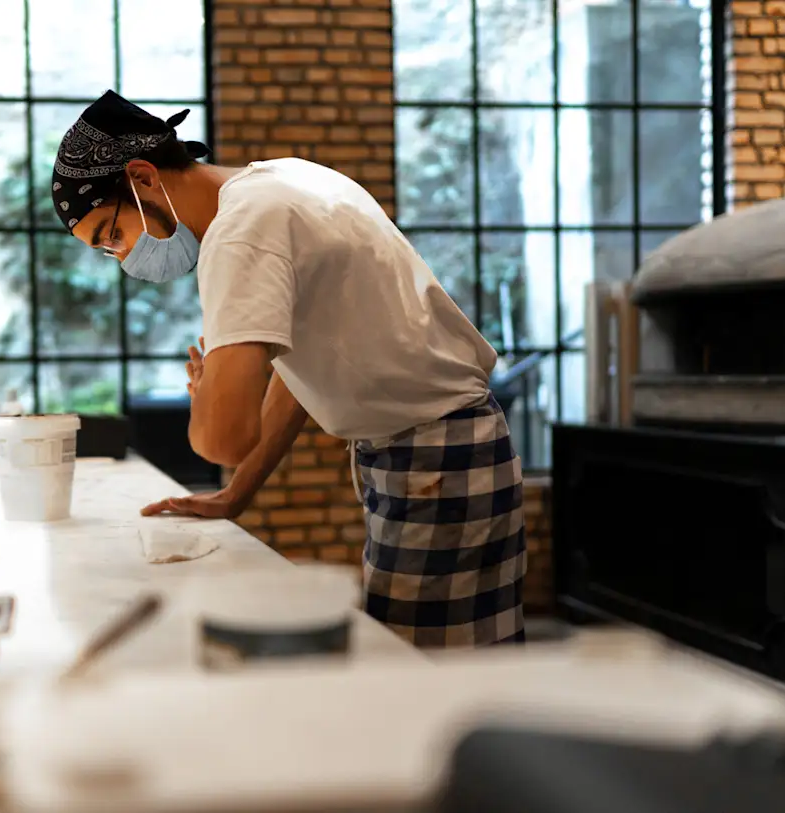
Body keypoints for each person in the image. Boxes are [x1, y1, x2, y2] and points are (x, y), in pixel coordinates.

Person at [51, 91, 525, 647]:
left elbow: (222, 437)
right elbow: (300, 375)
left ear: (144, 178)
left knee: (420, 686)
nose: (125, 255)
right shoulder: (282, 180)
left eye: (113, 234)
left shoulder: (242, 230)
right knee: (450, 665)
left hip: (437, 457)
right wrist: (237, 494)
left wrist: (209, 397)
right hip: (444, 450)